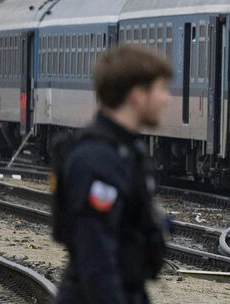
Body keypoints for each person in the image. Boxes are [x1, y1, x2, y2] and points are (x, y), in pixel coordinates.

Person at [53, 46, 172, 304]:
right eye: (161, 89)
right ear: (137, 96)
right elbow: (96, 261)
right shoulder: (96, 160)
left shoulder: (127, 153)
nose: (167, 99)